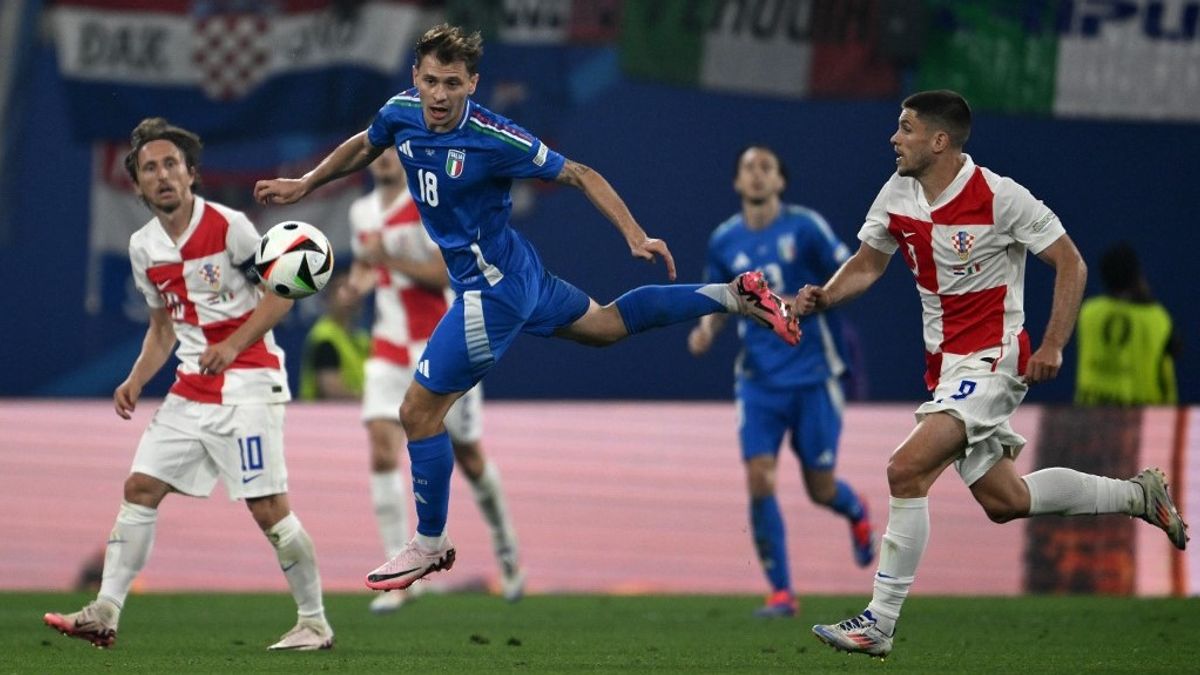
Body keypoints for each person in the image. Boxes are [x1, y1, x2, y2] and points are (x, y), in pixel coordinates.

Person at [254, 23, 799, 594]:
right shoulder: (401, 111)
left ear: (473, 84)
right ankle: (735, 295)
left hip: (493, 291)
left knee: (416, 413)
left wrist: (635, 234)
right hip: (520, 271)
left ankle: (431, 542)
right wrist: (306, 183)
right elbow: (367, 143)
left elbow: (580, 173)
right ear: (415, 76)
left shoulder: (494, 137)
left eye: (453, 84)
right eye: (431, 81)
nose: (439, 95)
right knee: (607, 325)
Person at [795, 90, 1189, 658]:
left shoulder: (1001, 196)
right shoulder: (896, 192)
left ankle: (879, 622)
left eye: (905, 128)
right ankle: (1138, 496)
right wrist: (826, 297)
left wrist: (1052, 344)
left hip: (993, 359)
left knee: (906, 469)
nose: (893, 138)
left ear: (939, 140)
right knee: (1005, 500)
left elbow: (1071, 262)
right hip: (945, 369)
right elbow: (868, 262)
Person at [43, 118, 334, 651]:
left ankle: (314, 623)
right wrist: (135, 379)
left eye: (171, 164)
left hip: (249, 382)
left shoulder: (230, 227)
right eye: (150, 168)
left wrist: (233, 344)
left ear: (191, 173)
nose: (162, 175)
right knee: (140, 488)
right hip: (192, 387)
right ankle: (105, 611)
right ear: (137, 184)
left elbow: (281, 295)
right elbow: (163, 329)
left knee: (268, 508)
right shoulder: (143, 247)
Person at [687, 145, 875, 618]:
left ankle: (855, 510)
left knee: (820, 489)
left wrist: (819, 297)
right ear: (736, 182)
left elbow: (850, 272)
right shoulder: (724, 240)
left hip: (813, 377)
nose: (756, 175)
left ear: (780, 181)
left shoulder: (806, 227)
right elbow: (718, 298)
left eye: (765, 167)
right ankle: (782, 592)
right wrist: (706, 330)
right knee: (759, 479)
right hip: (758, 382)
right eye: (748, 168)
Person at [348, 146, 525, 612]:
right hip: (388, 345)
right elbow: (366, 269)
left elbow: (442, 273)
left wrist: (388, 258)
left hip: (440, 346)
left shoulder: (429, 202)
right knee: (381, 450)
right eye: (378, 152)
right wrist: (353, 287)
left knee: (469, 458)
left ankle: (506, 549)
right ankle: (404, 579)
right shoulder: (360, 211)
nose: (384, 159)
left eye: (392, 151)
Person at [1075, 242, 1179, 405]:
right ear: (1137, 276)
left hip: (1092, 413)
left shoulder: (1088, 312)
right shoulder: (1156, 318)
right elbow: (1176, 349)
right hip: (1146, 414)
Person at [299, 269, 371, 401]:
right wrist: (372, 400)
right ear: (328, 299)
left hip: (361, 410)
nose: (349, 297)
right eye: (341, 290)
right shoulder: (324, 337)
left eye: (354, 291)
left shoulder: (363, 339)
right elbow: (331, 389)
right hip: (326, 413)